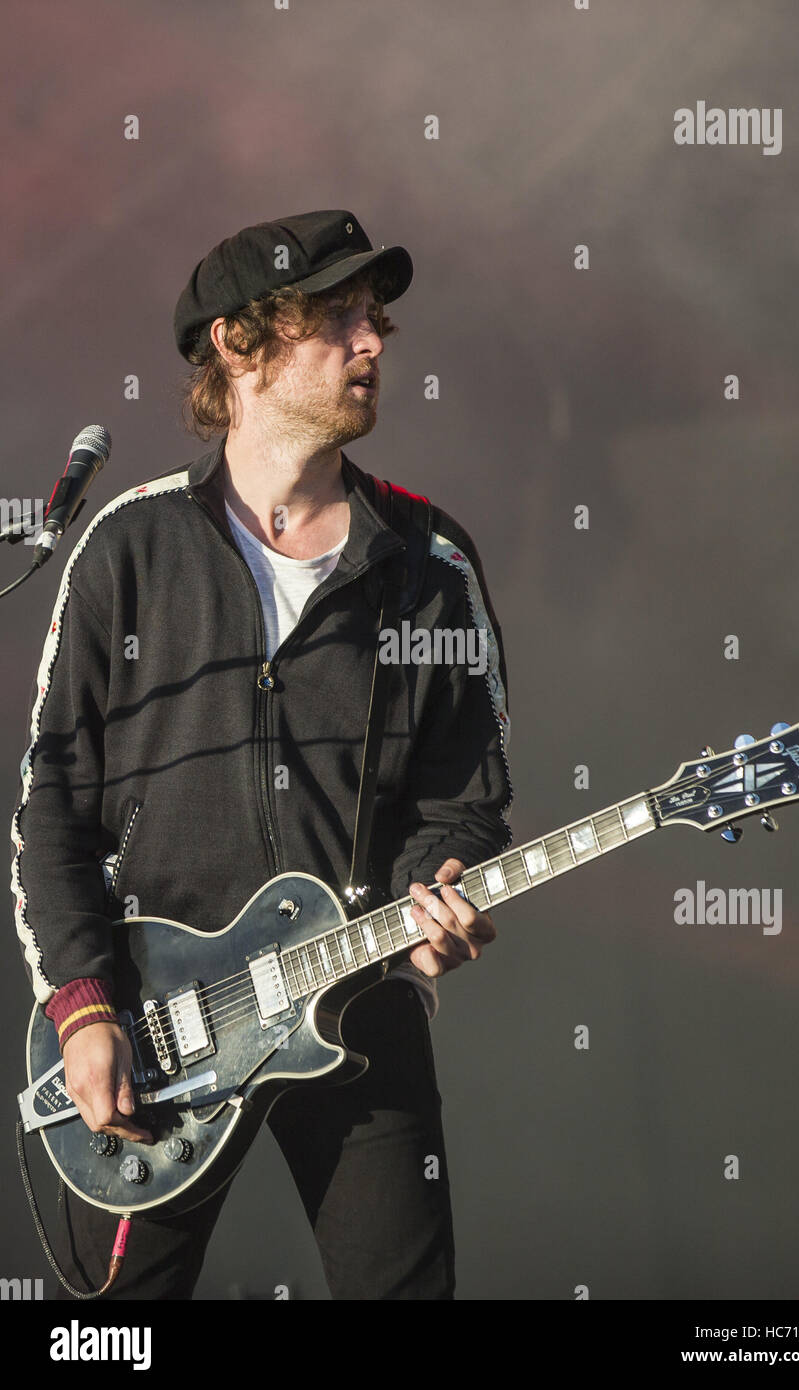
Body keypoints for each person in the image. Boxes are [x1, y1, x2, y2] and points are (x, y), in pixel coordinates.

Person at [11, 210, 513, 1300]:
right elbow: (51, 801)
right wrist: (83, 1004)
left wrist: (439, 899)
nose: (374, 341)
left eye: (375, 316)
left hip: (359, 1005)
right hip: (152, 1023)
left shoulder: (427, 566)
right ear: (240, 347)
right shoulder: (128, 547)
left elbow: (462, 805)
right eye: (338, 318)